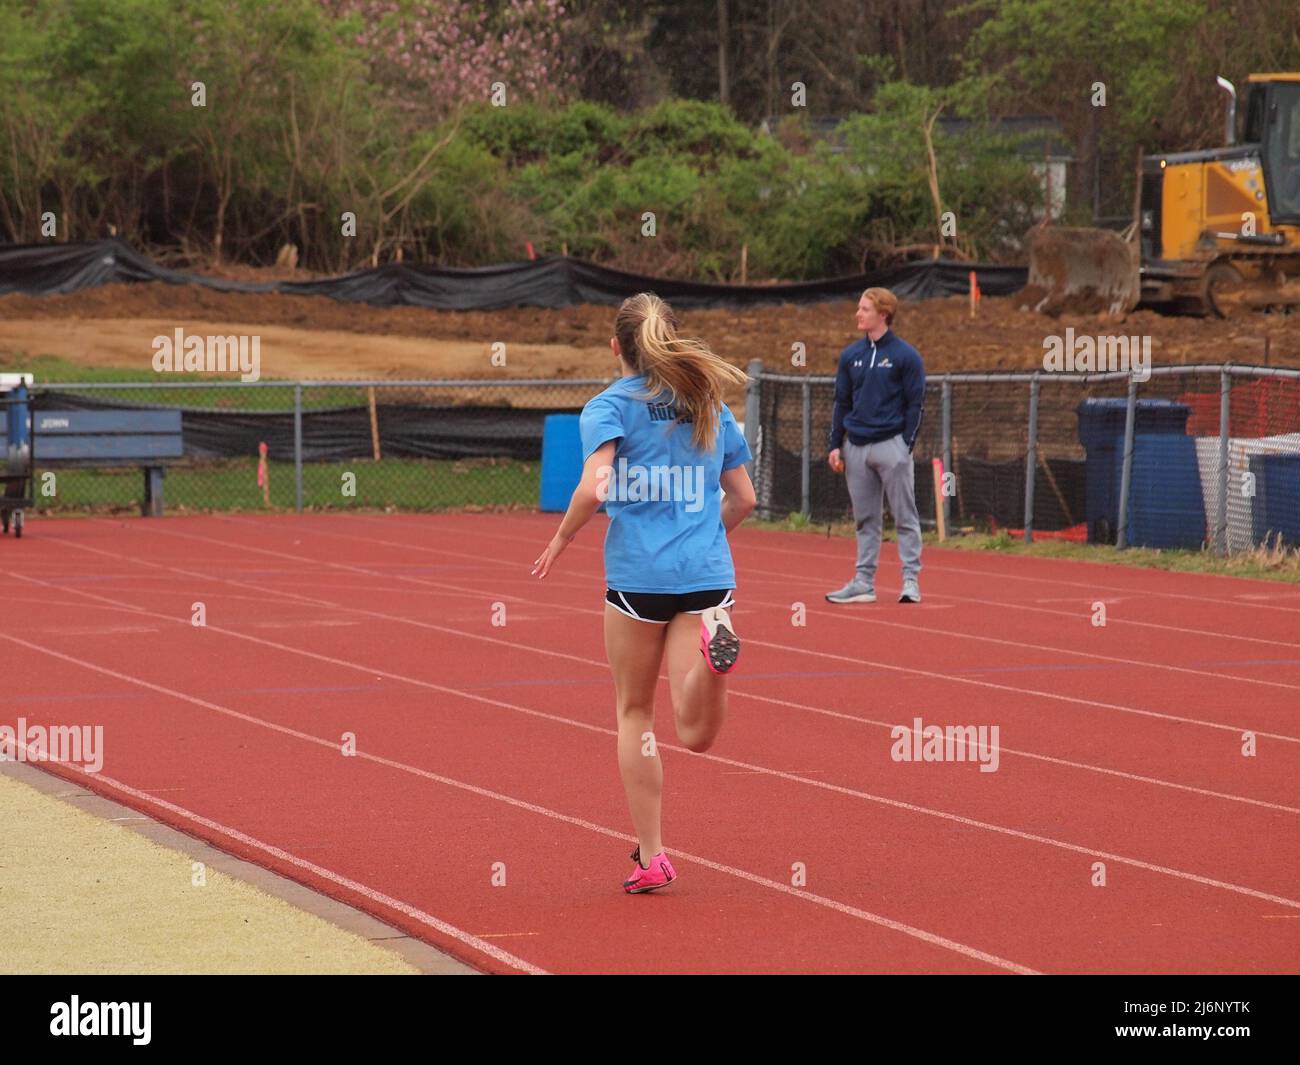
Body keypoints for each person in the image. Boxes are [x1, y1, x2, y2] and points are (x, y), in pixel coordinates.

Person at [533, 292, 756, 895]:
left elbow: (595, 485)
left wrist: (561, 537)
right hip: (708, 574)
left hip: (640, 581)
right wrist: (706, 536)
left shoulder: (609, 407)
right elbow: (746, 499)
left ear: (615, 348)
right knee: (697, 731)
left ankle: (652, 855)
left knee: (636, 711)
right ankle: (714, 656)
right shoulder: (709, 403)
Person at [825, 287, 925, 604]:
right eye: (859, 307)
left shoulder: (905, 356)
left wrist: (904, 445)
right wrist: (835, 444)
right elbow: (841, 403)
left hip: (891, 446)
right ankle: (863, 583)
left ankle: (910, 581)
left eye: (864, 309)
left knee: (904, 516)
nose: (858, 314)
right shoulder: (850, 356)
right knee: (865, 519)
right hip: (855, 446)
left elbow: (915, 404)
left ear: (883, 314)